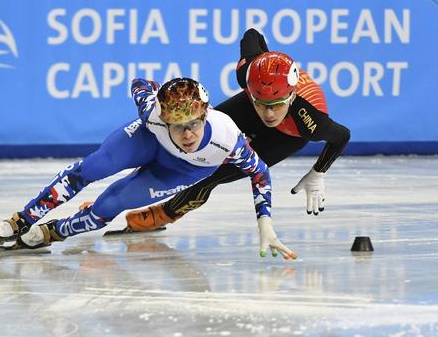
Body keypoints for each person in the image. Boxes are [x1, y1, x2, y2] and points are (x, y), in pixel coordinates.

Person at [0, 76, 296, 259]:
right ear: (164, 117)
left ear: (205, 115)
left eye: (193, 125)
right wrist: (151, 91)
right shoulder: (153, 115)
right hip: (148, 140)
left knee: (110, 205)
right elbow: (140, 84)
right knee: (93, 167)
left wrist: (264, 221)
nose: (187, 135)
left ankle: (54, 231)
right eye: (177, 126)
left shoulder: (228, 138)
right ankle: (21, 220)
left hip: (180, 171)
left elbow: (260, 173)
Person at [123, 28, 350, 233]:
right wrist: (265, 64)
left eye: (277, 105)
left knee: (211, 173)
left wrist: (318, 172)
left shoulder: (311, 121)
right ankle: (125, 192)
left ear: (290, 97)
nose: (269, 114)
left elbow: (342, 136)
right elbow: (252, 35)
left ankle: (164, 214)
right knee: (190, 140)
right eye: (263, 104)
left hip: (286, 137)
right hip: (247, 109)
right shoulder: (248, 73)